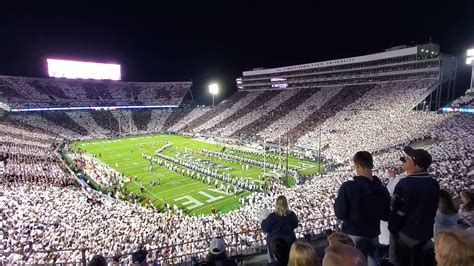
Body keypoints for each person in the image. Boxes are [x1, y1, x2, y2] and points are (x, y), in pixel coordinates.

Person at [334, 151, 390, 266]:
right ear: (372, 164)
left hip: (353, 236)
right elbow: (385, 216)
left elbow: (340, 213)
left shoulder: (348, 187)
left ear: (357, 165)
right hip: (373, 234)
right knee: (372, 263)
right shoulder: (382, 190)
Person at [388, 146, 440, 266]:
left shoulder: (405, 184)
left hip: (407, 235)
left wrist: (393, 228)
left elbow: (398, 213)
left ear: (415, 165)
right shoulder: (433, 183)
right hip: (425, 233)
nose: (403, 160)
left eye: (407, 158)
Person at [261, 196, 299, 263]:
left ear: (277, 204)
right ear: (286, 204)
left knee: (274, 261)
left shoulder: (272, 217)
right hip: (290, 242)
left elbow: (264, 228)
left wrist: (263, 219)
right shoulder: (292, 215)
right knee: (290, 260)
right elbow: (295, 225)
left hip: (275, 246)